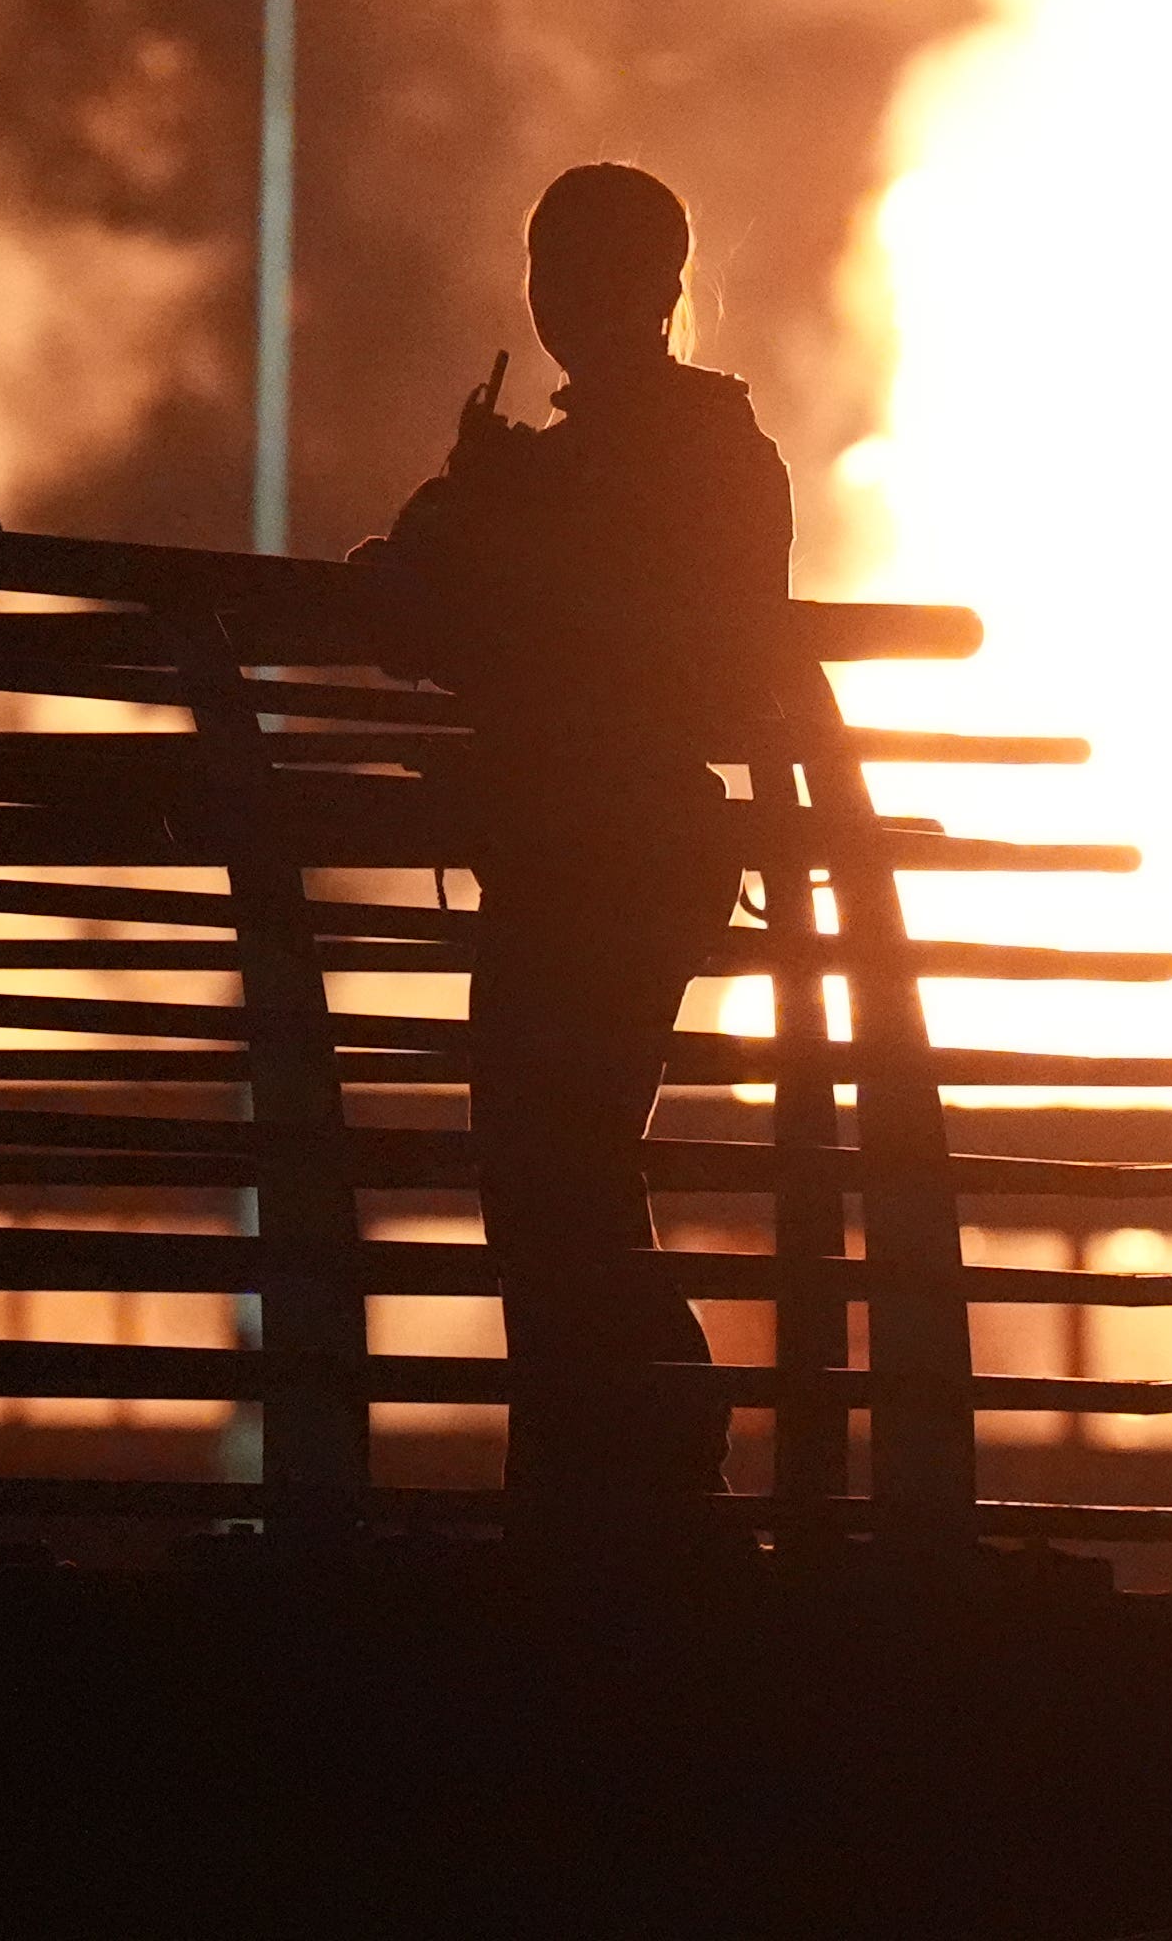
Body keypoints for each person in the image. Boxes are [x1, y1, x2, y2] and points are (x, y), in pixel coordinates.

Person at [359, 162, 800, 1525]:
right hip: (650, 855)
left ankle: (630, 1468)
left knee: (554, 1179)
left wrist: (472, 501)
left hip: (579, 858)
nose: (556, 299)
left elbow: (417, 606)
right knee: (575, 1170)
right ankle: (628, 1469)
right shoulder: (723, 454)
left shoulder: (585, 469)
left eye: (572, 271)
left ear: (648, 290)